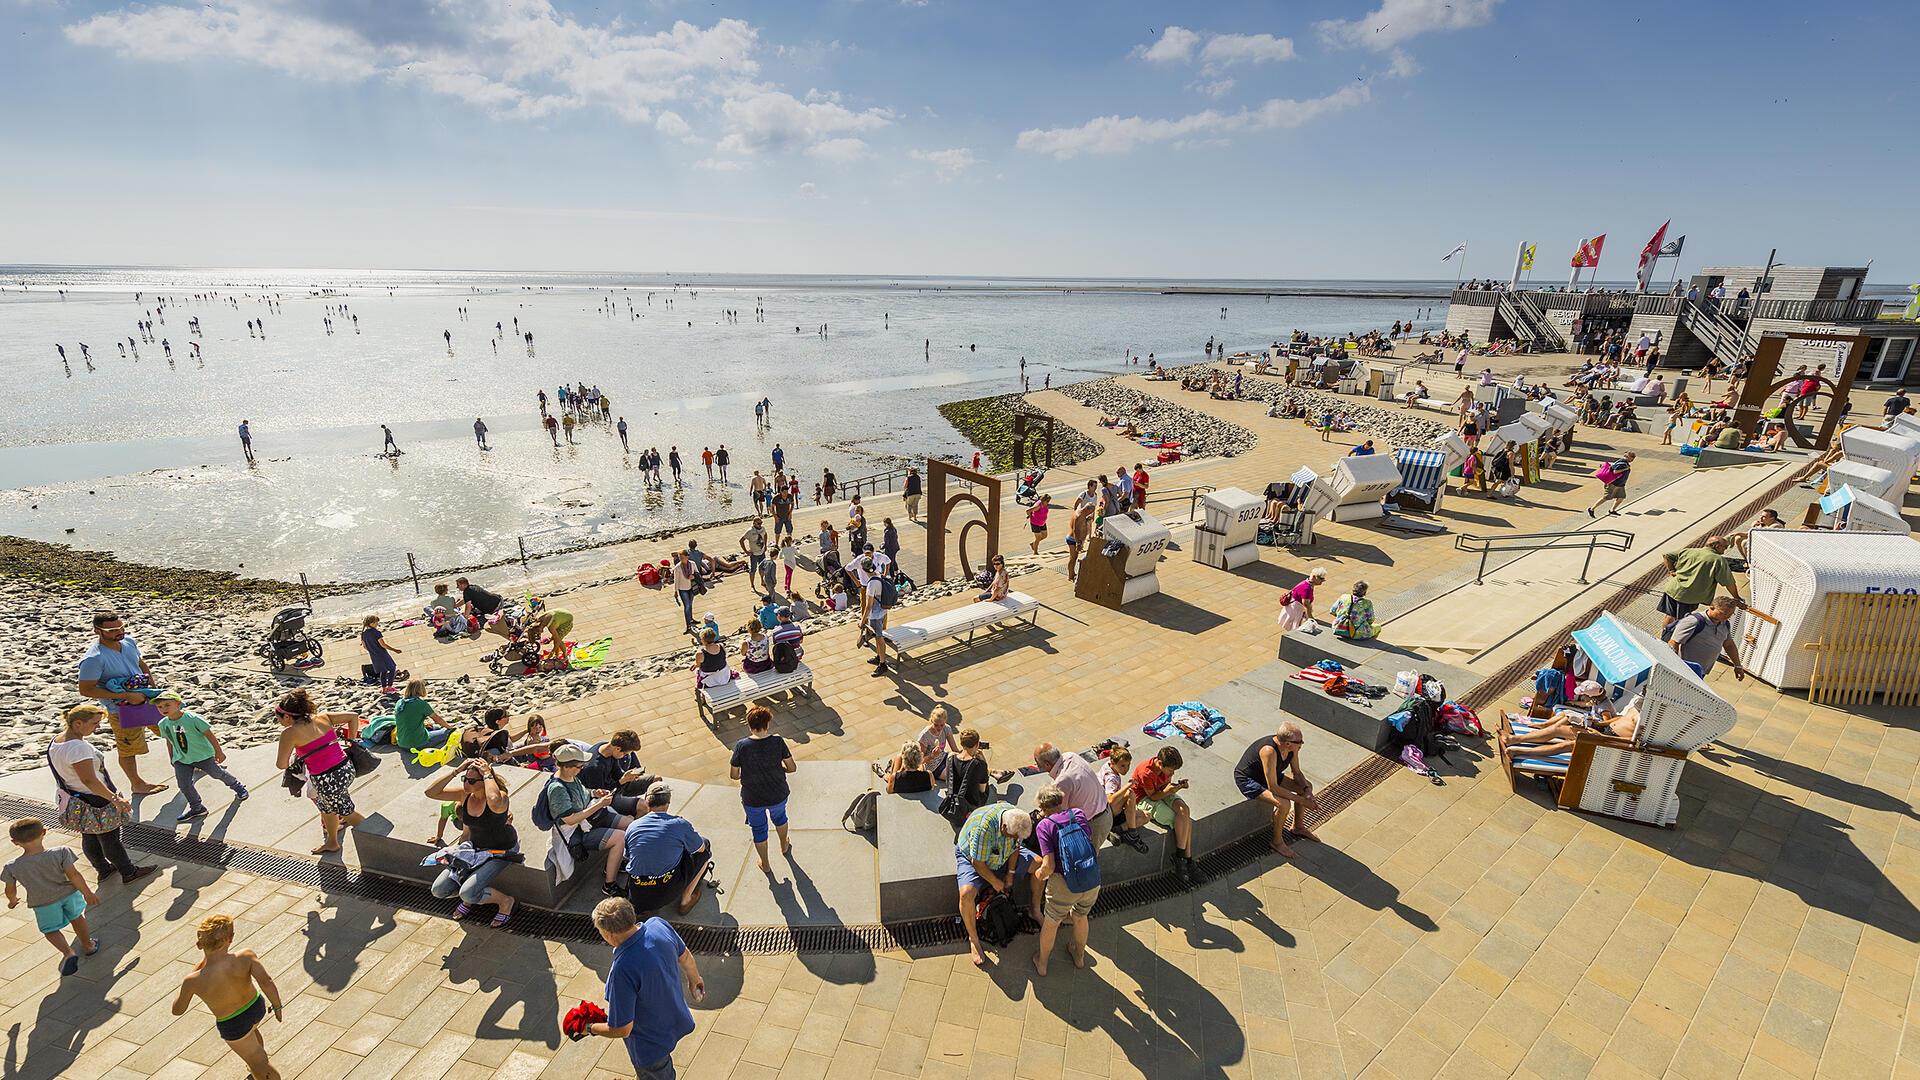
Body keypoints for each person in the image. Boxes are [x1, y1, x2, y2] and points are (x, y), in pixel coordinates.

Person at [577, 897, 702, 1080]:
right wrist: (695, 980)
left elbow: (622, 1029)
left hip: (650, 1046)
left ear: (609, 935)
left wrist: (589, 1028)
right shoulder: (658, 926)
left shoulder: (622, 970)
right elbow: (685, 957)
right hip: (675, 1018)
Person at [48, 704, 154, 884]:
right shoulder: (77, 748)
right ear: (78, 723)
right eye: (95, 723)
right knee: (110, 839)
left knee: (89, 834)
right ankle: (128, 872)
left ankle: (103, 869)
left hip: (77, 798)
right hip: (96, 798)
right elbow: (89, 780)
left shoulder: (56, 741)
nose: (98, 727)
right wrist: (115, 799)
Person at [170, 915, 284, 1080]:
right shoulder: (246, 956)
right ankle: (255, 1062)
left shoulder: (193, 980)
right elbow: (266, 982)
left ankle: (258, 1068)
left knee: (259, 1063)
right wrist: (277, 1006)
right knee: (252, 1036)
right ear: (230, 939)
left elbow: (178, 1010)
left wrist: (187, 984)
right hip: (255, 1007)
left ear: (199, 945)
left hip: (233, 1024)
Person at [75, 610, 168, 795]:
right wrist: (125, 695)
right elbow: (85, 689)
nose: (119, 632)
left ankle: (191, 764)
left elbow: (140, 662)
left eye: (121, 627)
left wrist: (152, 686)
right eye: (112, 630)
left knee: (172, 730)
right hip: (121, 709)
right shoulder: (94, 658)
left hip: (147, 700)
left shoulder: (128, 641)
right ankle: (137, 784)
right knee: (128, 748)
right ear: (97, 631)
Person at [424, 759, 520, 927]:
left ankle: (505, 902)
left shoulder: (500, 798)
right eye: (465, 779)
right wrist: (457, 770)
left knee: (467, 894)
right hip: (474, 849)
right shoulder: (465, 795)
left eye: (472, 780)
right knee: (438, 890)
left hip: (500, 851)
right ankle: (473, 895)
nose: (466, 783)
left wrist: (487, 773)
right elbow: (430, 792)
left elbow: (493, 799)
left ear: (485, 781)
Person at [272, 689, 365, 854]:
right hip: (346, 768)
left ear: (287, 716)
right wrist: (351, 741)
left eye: (278, 718)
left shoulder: (289, 733)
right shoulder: (323, 717)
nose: (279, 721)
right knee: (326, 808)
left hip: (327, 779)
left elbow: (281, 764)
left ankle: (380, 836)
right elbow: (353, 716)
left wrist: (296, 754)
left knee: (347, 813)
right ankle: (332, 842)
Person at [5, 817, 99, 976]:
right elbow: (74, 875)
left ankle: (68, 953)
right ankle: (88, 945)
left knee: (50, 930)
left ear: (15, 842)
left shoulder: (12, 866)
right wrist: (87, 893)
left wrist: (12, 900)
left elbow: (10, 889)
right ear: (44, 833)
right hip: (68, 895)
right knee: (77, 918)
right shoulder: (61, 852)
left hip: (42, 902)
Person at [955, 804, 1043, 966]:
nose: (1016, 839)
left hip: (1001, 855)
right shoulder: (984, 829)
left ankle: (1034, 910)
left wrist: (1010, 873)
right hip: (974, 858)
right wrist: (995, 882)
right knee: (966, 894)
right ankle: (973, 939)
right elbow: (978, 863)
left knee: (1039, 865)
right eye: (1012, 836)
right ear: (1003, 827)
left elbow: (1015, 848)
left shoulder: (1015, 820)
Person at [1031, 785, 1100, 976]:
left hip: (1064, 883)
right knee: (1080, 917)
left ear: (1042, 807)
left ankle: (1042, 963)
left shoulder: (1044, 826)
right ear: (1061, 800)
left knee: (1051, 923)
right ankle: (1079, 957)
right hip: (1090, 876)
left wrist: (1038, 875)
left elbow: (1049, 866)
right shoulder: (1077, 814)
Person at [154, 691, 247, 822]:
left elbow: (209, 734)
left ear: (178, 704)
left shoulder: (192, 719)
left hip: (203, 756)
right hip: (181, 759)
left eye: (167, 705)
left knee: (217, 773)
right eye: (159, 707)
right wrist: (172, 757)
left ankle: (237, 786)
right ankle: (197, 807)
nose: (163, 709)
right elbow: (169, 740)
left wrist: (218, 752)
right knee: (184, 784)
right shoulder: (163, 724)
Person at [622, 782, 711, 915]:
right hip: (666, 891)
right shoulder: (679, 824)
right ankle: (686, 900)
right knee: (705, 846)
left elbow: (627, 857)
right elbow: (701, 848)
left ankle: (644, 907)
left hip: (637, 895)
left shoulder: (633, 826)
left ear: (647, 802)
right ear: (668, 803)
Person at [1235, 722, 1321, 858]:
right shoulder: (1269, 751)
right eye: (1300, 742)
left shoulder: (1293, 749)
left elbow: (1297, 773)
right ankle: (1277, 842)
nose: (1302, 744)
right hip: (1249, 780)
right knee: (1284, 804)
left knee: (1306, 787)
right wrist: (1301, 801)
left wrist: (1307, 791)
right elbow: (1273, 787)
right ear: (1287, 743)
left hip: (1270, 774)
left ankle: (1298, 827)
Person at [729, 706, 795, 873]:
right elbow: (792, 767)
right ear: (768, 723)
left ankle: (765, 864)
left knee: (759, 830)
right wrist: (781, 770)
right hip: (778, 793)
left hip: (753, 798)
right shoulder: (778, 742)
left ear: (749, 725)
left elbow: (734, 775)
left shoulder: (741, 746)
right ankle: (784, 845)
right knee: (780, 818)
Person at [1132, 746, 1207, 888]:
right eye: (1171, 770)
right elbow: (1153, 797)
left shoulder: (1166, 769)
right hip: (1145, 799)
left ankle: (1181, 857)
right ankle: (1187, 859)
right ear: (1160, 763)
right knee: (1178, 819)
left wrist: (1177, 787)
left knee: (1184, 811)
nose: (1172, 773)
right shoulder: (1145, 772)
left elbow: (1165, 785)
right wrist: (1168, 791)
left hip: (1162, 792)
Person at [1657, 538, 1743, 640]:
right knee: (1681, 621)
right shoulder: (1718, 560)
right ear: (1717, 546)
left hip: (1673, 589)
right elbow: (1729, 583)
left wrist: (1672, 570)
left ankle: (1662, 638)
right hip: (1689, 596)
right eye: (1725, 547)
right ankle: (1670, 641)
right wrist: (1736, 597)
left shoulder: (1690, 551)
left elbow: (1667, 555)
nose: (1725, 550)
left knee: (1670, 616)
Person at [1033, 742, 1112, 849]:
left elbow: (1059, 813)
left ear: (1047, 764)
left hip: (1094, 824)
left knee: (1085, 860)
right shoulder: (1070, 756)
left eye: (1037, 763)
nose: (1037, 766)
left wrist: (1040, 817)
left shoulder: (1062, 781)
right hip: (1104, 812)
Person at [1670, 597, 1750, 680]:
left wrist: (1737, 665)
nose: (1728, 617)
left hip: (1700, 672)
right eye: (1724, 613)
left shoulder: (1725, 624)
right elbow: (1673, 643)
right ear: (1712, 608)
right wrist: (1675, 665)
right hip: (1684, 669)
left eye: (1731, 614)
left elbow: (1729, 645)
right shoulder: (1693, 621)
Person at [1278, 567, 1327, 634]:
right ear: (1314, 577)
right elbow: (1306, 604)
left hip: (1295, 609)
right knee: (1295, 629)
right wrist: (1310, 618)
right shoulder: (1307, 588)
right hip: (1295, 610)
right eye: (1321, 579)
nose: (1322, 581)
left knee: (1294, 628)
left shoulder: (1307, 584)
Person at [1586, 451, 1635, 517]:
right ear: (1628, 457)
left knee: (1621, 497)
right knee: (1606, 498)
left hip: (1620, 484)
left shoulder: (1623, 462)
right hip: (1614, 484)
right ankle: (1592, 509)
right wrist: (1626, 468)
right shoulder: (1623, 464)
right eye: (1632, 458)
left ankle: (1612, 510)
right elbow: (1615, 471)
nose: (1632, 460)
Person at [360, 614, 401, 692]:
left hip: (373, 655)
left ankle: (384, 688)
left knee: (383, 671)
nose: (377, 624)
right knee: (392, 668)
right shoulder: (376, 633)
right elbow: (383, 645)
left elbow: (364, 646)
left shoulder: (363, 634)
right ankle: (389, 686)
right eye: (376, 623)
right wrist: (395, 650)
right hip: (382, 654)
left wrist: (372, 650)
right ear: (371, 623)